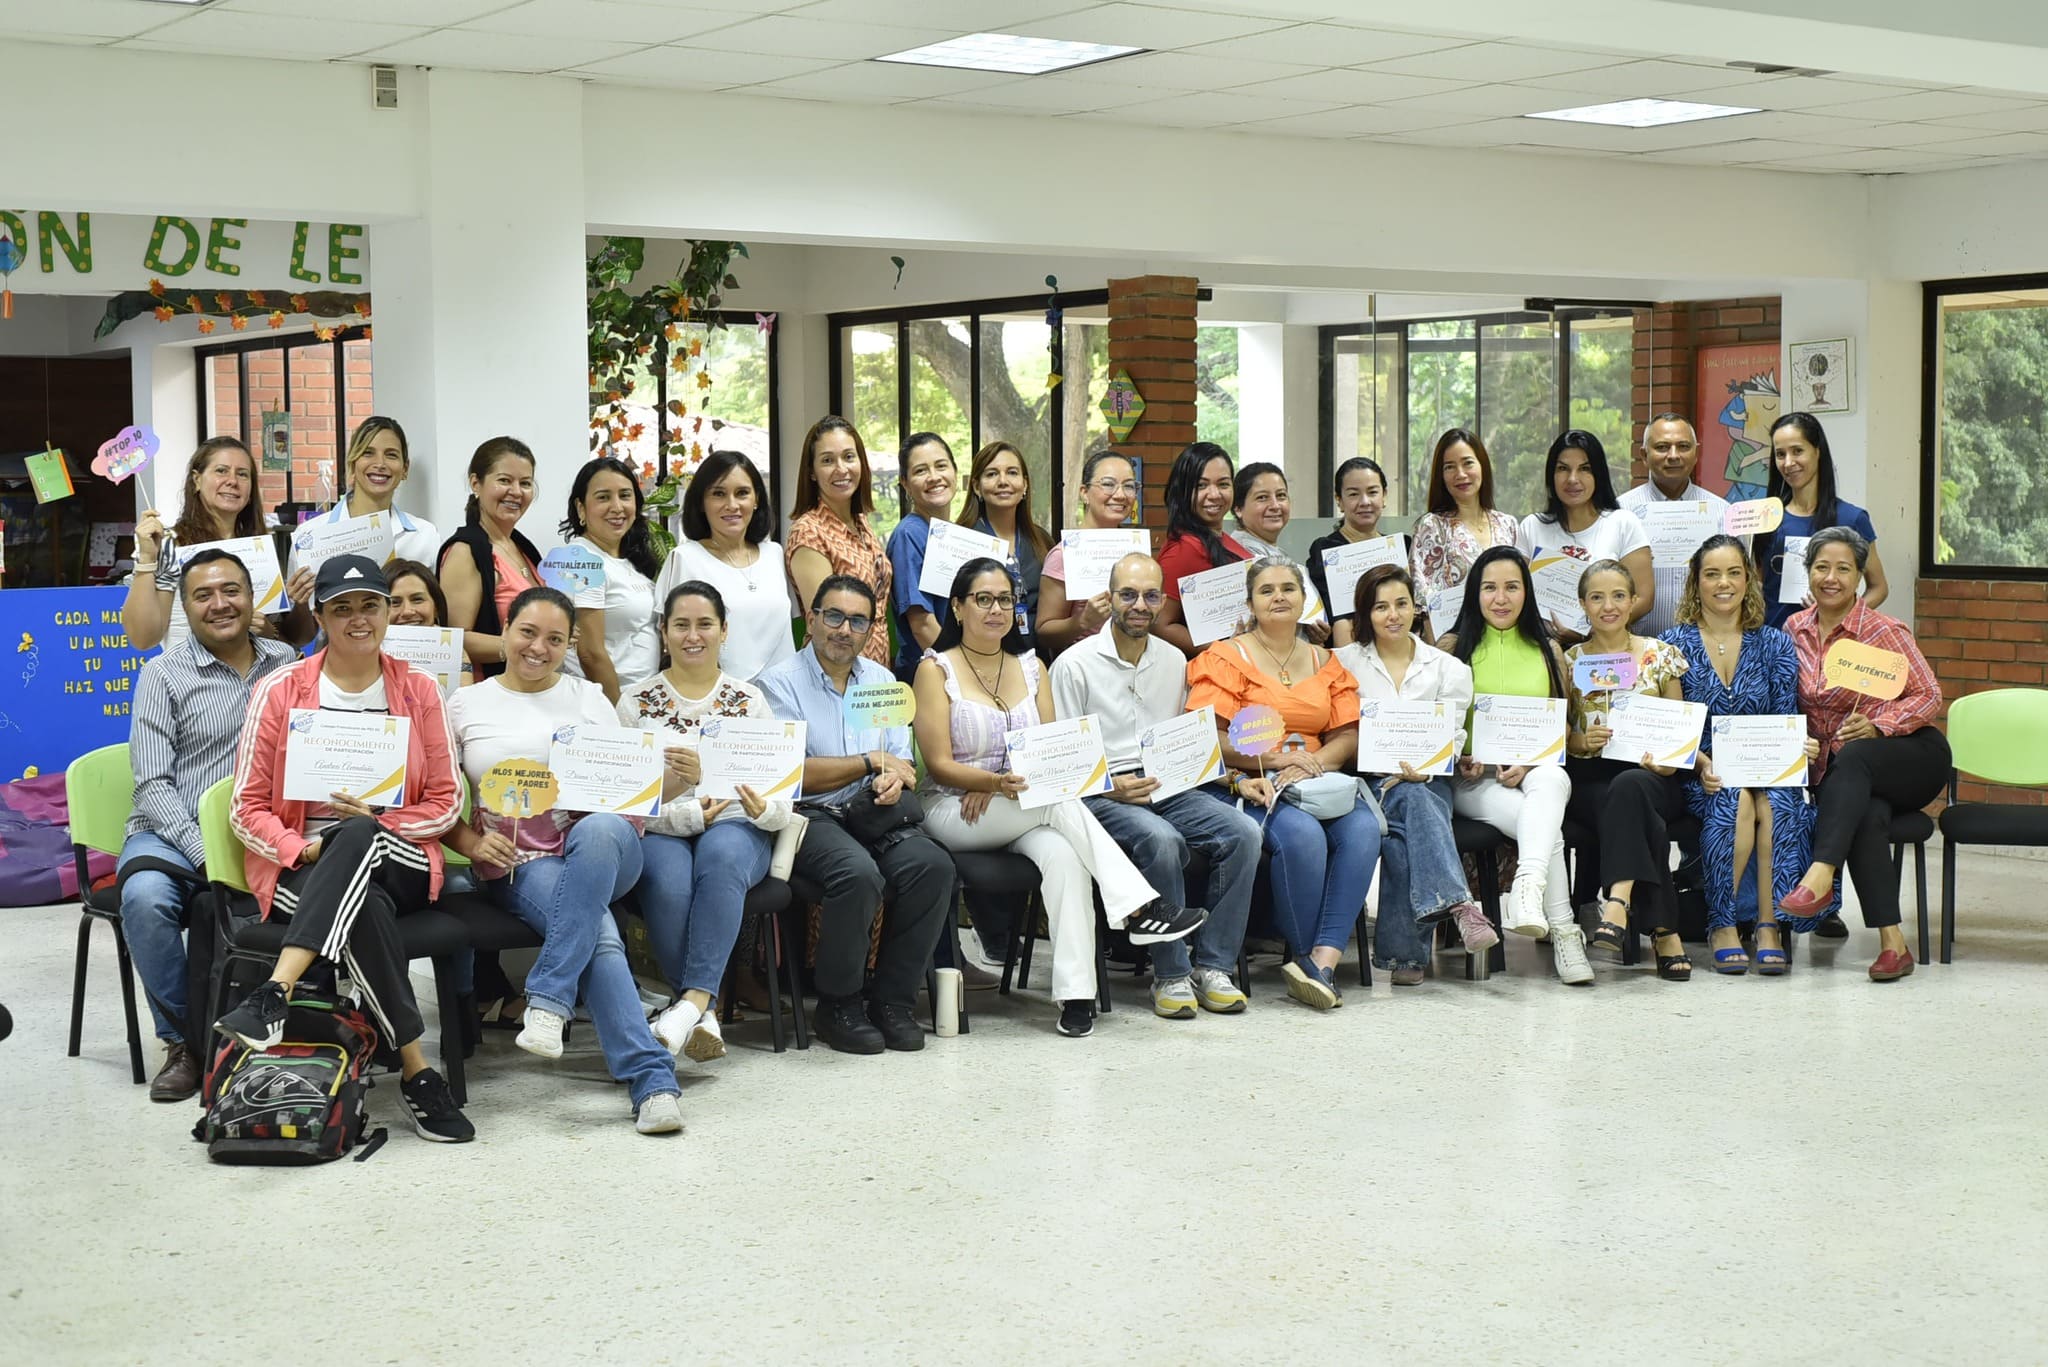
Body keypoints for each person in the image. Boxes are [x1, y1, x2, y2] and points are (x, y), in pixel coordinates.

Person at [213, 555, 473, 1143]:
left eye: (370, 605)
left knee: (357, 833)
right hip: (304, 864)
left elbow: (447, 801)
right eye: (342, 608)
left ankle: (275, 989)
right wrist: (295, 849)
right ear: (321, 616)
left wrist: (381, 820)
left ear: (387, 610)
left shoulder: (419, 689)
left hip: (400, 852)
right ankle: (417, 1071)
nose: (359, 619)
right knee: (365, 910)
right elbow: (246, 807)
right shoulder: (281, 690)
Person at [915, 558, 1204, 1038]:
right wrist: (990, 783)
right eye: (983, 600)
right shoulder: (935, 668)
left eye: (1005, 600)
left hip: (1020, 804)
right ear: (959, 608)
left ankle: (1075, 996)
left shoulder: (1032, 667)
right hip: (955, 806)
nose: (996, 610)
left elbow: (1052, 753)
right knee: (1058, 803)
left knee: (1066, 855)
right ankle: (1138, 907)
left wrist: (1011, 782)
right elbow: (939, 763)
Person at [444, 586, 684, 1134]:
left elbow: (631, 787)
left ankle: (549, 993)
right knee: (595, 930)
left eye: (555, 639)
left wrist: (677, 780)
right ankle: (653, 1082)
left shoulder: (590, 697)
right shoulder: (464, 704)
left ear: (568, 645)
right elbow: (433, 793)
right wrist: (470, 841)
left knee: (599, 828)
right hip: (519, 860)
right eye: (528, 632)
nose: (538, 647)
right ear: (504, 633)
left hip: (608, 844)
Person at [119, 549, 298, 1101]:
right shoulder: (163, 674)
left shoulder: (286, 661)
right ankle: (185, 1041)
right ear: (188, 608)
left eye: (232, 591)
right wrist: (204, 851)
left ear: (252, 597)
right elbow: (153, 784)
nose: (220, 604)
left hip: (262, 828)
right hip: (174, 831)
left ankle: (309, 1022)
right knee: (145, 898)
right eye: (203, 595)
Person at [1050, 553, 1260, 1019]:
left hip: (1170, 785)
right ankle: (1171, 974)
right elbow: (1063, 762)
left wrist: (1230, 778)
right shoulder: (1073, 665)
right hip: (1102, 793)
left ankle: (1214, 967)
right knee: (1160, 840)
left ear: (1162, 600)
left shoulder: (1174, 660)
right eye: (1128, 595)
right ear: (1109, 600)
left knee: (1245, 833)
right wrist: (1110, 786)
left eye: (1149, 596)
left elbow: (1188, 739)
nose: (1139, 605)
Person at [758, 575, 956, 1053]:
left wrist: (893, 778)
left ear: (870, 630)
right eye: (834, 616)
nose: (844, 629)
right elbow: (789, 774)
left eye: (857, 621)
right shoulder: (776, 685)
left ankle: (893, 1002)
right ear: (812, 619)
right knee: (857, 874)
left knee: (933, 867)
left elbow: (899, 760)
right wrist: (869, 764)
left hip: (875, 811)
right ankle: (838, 1004)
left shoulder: (883, 682)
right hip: (810, 816)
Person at [1189, 558, 1373, 1010]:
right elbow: (1205, 735)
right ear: (1250, 602)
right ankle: (1310, 956)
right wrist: (1268, 759)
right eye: (1267, 590)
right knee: (1304, 837)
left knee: (1365, 830)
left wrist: (1311, 762)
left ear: (1304, 598)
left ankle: (1320, 964)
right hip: (1253, 783)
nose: (1279, 597)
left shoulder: (1326, 661)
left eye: (1288, 588)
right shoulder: (1225, 657)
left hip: (1317, 778)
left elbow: (1347, 733)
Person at [617, 582, 788, 1062]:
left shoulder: (749, 701)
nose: (693, 636)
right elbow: (626, 801)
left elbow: (781, 803)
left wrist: (762, 809)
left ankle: (688, 1002)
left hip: (737, 827)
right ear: (663, 632)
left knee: (722, 857)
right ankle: (704, 1010)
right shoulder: (634, 703)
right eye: (681, 624)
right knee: (669, 883)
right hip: (662, 828)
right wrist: (687, 813)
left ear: (724, 631)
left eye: (705, 624)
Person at [1780, 527, 1946, 982]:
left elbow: (1930, 695)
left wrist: (1878, 724)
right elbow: (1789, 701)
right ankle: (1894, 947)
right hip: (1846, 773)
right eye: (1821, 567)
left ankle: (1819, 876)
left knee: (1854, 757)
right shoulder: (1793, 629)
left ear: (1859, 577)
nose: (1830, 578)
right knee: (1864, 810)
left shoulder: (1882, 630)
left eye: (1843, 569)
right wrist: (1802, 738)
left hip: (1912, 755)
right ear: (1808, 572)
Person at [1664, 535, 1822, 974]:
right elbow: (1673, 727)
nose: (1723, 583)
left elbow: (1785, 715)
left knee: (1774, 801)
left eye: (1733, 572)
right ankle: (1723, 924)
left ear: (1749, 579)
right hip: (1706, 771)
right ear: (1696, 582)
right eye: (1711, 574)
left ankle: (1769, 924)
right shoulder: (1673, 645)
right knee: (1734, 800)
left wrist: (1799, 747)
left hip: (1767, 768)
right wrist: (1700, 762)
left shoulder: (1774, 642)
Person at [1336, 564, 1497, 985]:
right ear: (1364, 614)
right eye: (1381, 606)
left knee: (1414, 804)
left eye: (1402, 604)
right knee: (1413, 807)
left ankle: (1407, 954)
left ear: (1416, 609)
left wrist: (1423, 768)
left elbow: (1453, 733)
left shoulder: (1448, 668)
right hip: (1366, 782)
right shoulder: (1342, 664)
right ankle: (1456, 907)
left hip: (1429, 780)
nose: (1393, 615)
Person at [1440, 546, 1590, 984]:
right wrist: (1461, 755)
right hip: (1473, 782)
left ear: (1527, 593)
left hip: (1534, 770)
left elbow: (1560, 726)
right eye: (1489, 588)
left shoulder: (1548, 650)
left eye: (1511, 587)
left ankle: (1530, 889)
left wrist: (1529, 761)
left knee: (1554, 778)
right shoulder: (1451, 648)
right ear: (1474, 593)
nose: (1500, 598)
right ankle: (1564, 931)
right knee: (1544, 825)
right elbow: (1435, 726)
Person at [1562, 559, 1694, 981]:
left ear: (1635, 601)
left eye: (1618, 595)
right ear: (1583, 605)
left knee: (1634, 786)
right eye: (1597, 597)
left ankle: (1616, 903)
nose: (1608, 606)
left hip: (1654, 775)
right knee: (1634, 807)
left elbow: (1679, 729)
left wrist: (1667, 761)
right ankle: (1663, 931)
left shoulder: (1661, 655)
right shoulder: (1570, 661)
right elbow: (1558, 730)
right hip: (1591, 777)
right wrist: (1580, 741)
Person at [124, 436, 314, 652]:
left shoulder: (260, 548)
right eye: (221, 471)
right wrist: (146, 561)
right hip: (192, 679)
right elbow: (143, 639)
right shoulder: (168, 543)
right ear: (196, 480)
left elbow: (293, 638)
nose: (232, 481)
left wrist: (270, 632)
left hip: (257, 680)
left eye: (242, 474)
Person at [655, 449, 796, 683]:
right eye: (719, 494)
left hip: (783, 697)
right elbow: (669, 643)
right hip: (718, 702)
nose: (732, 505)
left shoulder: (775, 554)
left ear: (757, 499)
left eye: (742, 493)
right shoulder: (685, 558)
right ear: (701, 502)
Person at [1754, 411, 1889, 629]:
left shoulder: (1852, 518)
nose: (1788, 463)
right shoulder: (1767, 517)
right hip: (1774, 646)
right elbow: (1759, 584)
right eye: (1780, 454)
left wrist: (1844, 615)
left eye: (1797, 451)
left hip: (1831, 646)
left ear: (1817, 452)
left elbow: (1879, 587)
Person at [1515, 430, 1655, 641]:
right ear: (1551, 475)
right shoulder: (1531, 527)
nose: (1573, 479)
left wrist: (1591, 630)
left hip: (1605, 650)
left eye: (1585, 469)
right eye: (1563, 469)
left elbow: (1643, 598)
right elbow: (1517, 593)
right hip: (1542, 650)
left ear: (1599, 474)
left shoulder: (1623, 523)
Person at [786, 416, 892, 667]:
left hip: (875, 672)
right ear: (811, 472)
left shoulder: (860, 522)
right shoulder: (809, 531)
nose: (841, 468)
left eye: (848, 457)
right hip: (835, 672)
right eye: (827, 460)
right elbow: (829, 624)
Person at [558, 455, 661, 703]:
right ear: (581, 508)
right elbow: (590, 653)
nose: (617, 507)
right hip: (610, 704)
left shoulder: (626, 560)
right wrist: (619, 716)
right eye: (603, 497)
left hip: (642, 699)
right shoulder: (581, 560)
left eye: (625, 495)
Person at [438, 436, 542, 680]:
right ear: (476, 483)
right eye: (504, 480)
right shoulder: (466, 551)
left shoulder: (523, 547)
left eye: (525, 483)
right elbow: (452, 640)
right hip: (487, 693)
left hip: (527, 688)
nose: (516, 492)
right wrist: (525, 647)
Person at [1618, 414, 1728, 637]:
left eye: (1683, 446)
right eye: (1662, 447)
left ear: (1696, 453)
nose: (1674, 455)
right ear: (1644, 455)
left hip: (1707, 650)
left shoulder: (1722, 512)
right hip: (1638, 648)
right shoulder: (1619, 513)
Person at [1409, 428, 1520, 631]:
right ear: (1441, 476)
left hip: (1506, 639)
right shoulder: (1432, 526)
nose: (1460, 474)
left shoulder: (1507, 524)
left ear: (1482, 466)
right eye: (1449, 467)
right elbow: (1425, 602)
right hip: (1454, 642)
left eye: (1468, 463)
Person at [1036, 449, 1140, 658]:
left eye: (1129, 486)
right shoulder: (1064, 555)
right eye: (1108, 484)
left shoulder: (1136, 551)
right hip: (1084, 671)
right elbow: (1043, 633)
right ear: (1084, 492)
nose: (1120, 495)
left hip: (1135, 664)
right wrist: (1082, 621)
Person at [955, 439, 1054, 652]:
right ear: (976, 486)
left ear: (1025, 484)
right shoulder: (960, 541)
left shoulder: (1041, 539)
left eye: (1012, 472)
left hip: (1037, 661)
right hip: (980, 661)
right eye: (991, 474)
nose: (1003, 481)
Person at [300, 416, 441, 565]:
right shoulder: (310, 536)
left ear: (405, 469)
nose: (380, 464)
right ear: (353, 463)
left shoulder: (425, 537)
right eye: (368, 453)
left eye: (391, 455)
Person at [1153, 442, 1251, 655]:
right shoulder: (1183, 550)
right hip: (1213, 670)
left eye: (1223, 484)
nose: (1214, 494)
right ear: (1183, 491)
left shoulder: (1226, 541)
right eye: (1201, 485)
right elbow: (1161, 625)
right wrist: (1223, 650)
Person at [884, 432, 960, 683]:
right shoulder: (909, 536)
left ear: (955, 473)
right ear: (905, 483)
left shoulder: (956, 536)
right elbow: (921, 623)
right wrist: (962, 673)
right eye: (920, 471)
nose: (934, 477)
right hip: (932, 675)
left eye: (941, 466)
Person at [1229, 462, 1329, 639]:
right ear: (1238, 508)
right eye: (1262, 498)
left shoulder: (1275, 552)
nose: (1275, 505)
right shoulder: (1237, 558)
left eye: (1281, 496)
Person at [1309, 456, 1391, 647]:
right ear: (1339, 500)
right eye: (1353, 494)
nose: (1365, 502)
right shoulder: (1326, 551)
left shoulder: (1401, 546)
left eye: (1372, 492)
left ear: (1384, 495)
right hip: (1350, 654)